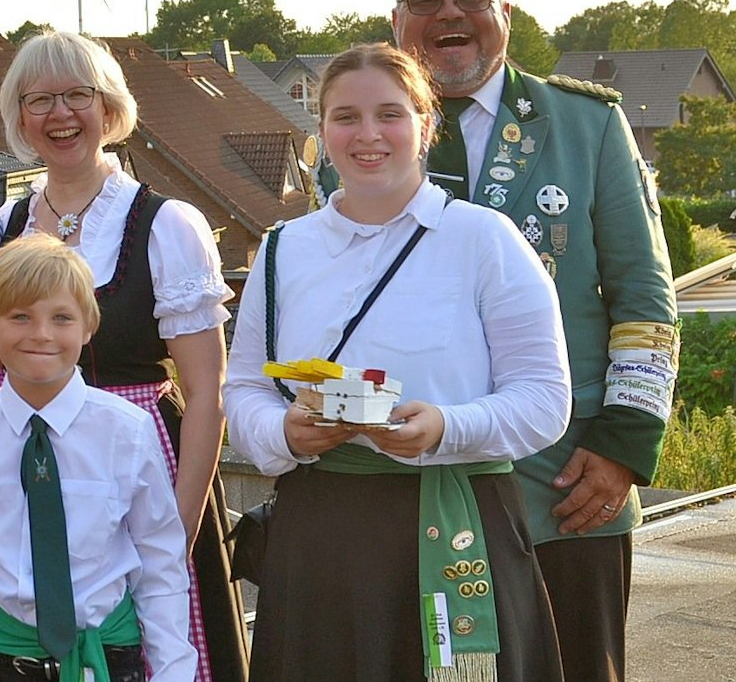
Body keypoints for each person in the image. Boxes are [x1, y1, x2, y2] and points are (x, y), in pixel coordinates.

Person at [227, 43, 571, 681]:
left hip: (453, 520)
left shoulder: (484, 240)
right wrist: (283, 432)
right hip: (320, 536)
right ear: (321, 130)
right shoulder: (281, 250)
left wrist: (444, 427)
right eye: (345, 117)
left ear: (426, 124)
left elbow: (545, 402)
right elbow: (245, 387)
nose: (368, 134)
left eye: (390, 114)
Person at [390, 0, 678, 682]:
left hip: (565, 488)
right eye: (426, 0)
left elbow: (646, 303)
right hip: (413, 493)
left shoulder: (588, 125)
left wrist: (623, 446)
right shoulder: (361, 137)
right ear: (397, 19)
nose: (449, 14)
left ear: (504, 13)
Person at [0, 29, 246, 681]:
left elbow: (207, 393)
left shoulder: (165, 224)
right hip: (28, 467)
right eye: (40, 100)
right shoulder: (6, 223)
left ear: (109, 106)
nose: (59, 114)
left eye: (77, 95)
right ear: (20, 116)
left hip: (140, 468)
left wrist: (174, 533)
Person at [0, 235, 200, 682]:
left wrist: (172, 673)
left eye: (62, 318)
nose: (41, 334)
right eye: (20, 316)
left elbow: (160, 563)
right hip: (0, 663)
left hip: (106, 658)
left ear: (88, 326)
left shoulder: (128, 431)